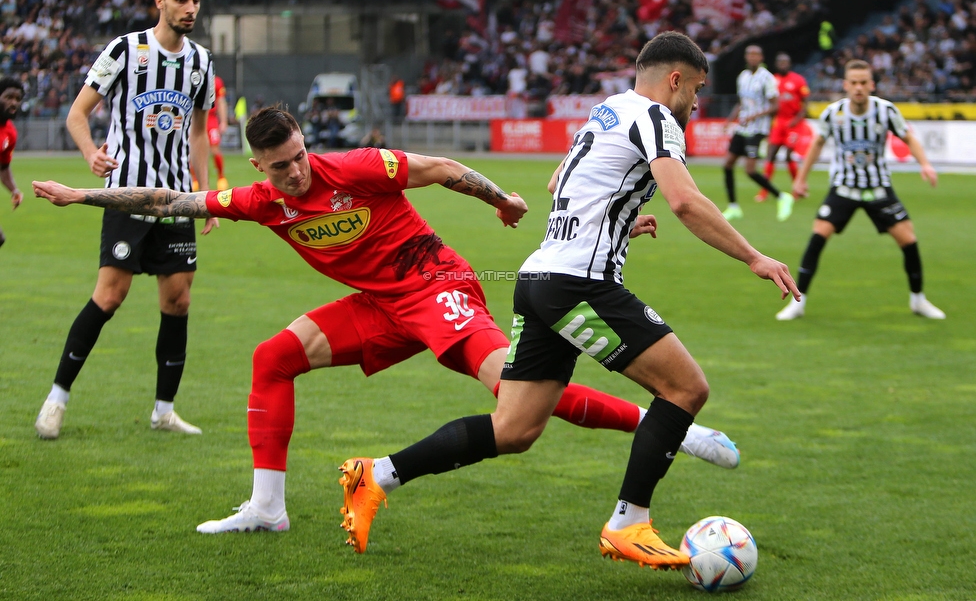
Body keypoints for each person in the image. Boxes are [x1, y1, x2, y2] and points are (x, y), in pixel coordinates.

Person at [33, 106, 741, 533]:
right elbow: (170, 201)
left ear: (309, 145)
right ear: (259, 166)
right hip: (379, 308)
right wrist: (81, 195)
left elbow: (436, 168)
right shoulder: (261, 201)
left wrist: (499, 200)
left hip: (438, 288)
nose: (296, 174)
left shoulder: (356, 166)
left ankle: (681, 423)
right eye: (279, 167)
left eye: (300, 157)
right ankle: (266, 508)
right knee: (271, 358)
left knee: (516, 398)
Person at [335, 32, 799, 567]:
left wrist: (619, 219)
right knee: (685, 388)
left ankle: (377, 474)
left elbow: (561, 181)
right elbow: (686, 202)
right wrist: (754, 257)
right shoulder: (655, 118)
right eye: (695, 90)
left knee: (513, 429)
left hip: (540, 282)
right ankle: (630, 522)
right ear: (676, 80)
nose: (696, 103)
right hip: (579, 285)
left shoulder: (605, 112)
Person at [33, 0, 217, 441]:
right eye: (181, 0)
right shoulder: (125, 50)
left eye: (196, 0)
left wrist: (204, 194)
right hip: (125, 195)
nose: (190, 8)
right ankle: (57, 398)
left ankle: (163, 409)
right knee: (110, 295)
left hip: (177, 200)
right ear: (159, 2)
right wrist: (91, 152)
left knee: (178, 300)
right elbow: (78, 114)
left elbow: (198, 133)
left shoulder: (202, 61)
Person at [776, 59, 945, 321]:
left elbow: (908, 136)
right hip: (844, 187)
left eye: (863, 82)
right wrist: (801, 179)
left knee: (909, 240)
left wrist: (925, 164)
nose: (858, 87)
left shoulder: (885, 110)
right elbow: (818, 143)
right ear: (845, 85)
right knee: (818, 236)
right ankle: (799, 303)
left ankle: (918, 300)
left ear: (871, 84)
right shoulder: (834, 113)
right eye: (853, 82)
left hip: (878, 187)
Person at [721, 45, 793, 222]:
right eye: (749, 54)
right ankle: (733, 206)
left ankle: (782, 197)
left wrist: (755, 115)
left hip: (758, 128)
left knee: (750, 170)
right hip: (743, 127)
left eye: (756, 54)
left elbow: (776, 106)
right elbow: (741, 102)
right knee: (728, 164)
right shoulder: (743, 77)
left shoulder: (767, 78)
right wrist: (730, 119)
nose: (752, 57)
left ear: (761, 58)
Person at [756, 53, 810, 202]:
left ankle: (797, 189)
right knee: (771, 155)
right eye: (780, 62)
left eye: (785, 62)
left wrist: (797, 119)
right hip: (778, 123)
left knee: (788, 156)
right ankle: (764, 190)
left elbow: (805, 105)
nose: (783, 64)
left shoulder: (798, 80)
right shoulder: (773, 81)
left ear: (790, 63)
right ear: (776, 64)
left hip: (793, 123)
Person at [0, 76, 24, 249]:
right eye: (9, 97)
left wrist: (14, 190)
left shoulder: (10, 133)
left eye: (17, 99)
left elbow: (4, 167)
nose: (14, 103)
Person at [205, 74, 229, 190]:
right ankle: (194, 179)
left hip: (211, 118)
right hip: (195, 118)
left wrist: (223, 121)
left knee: (215, 149)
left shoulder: (216, 81)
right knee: (193, 150)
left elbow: (221, 102)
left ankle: (221, 177)